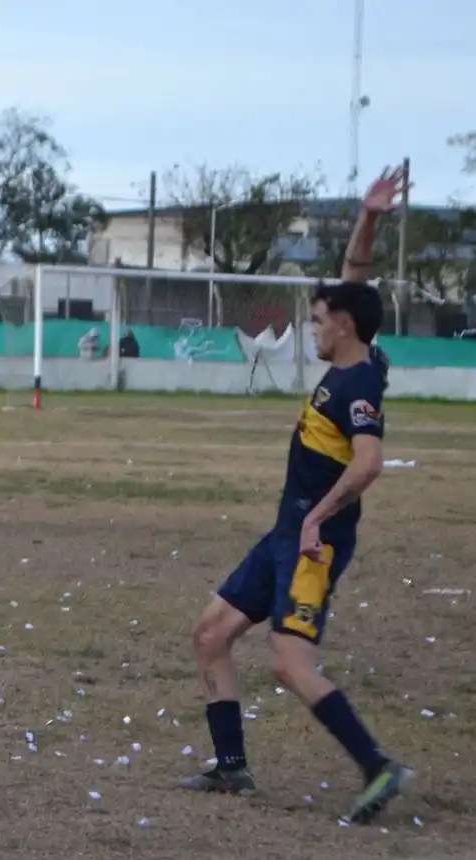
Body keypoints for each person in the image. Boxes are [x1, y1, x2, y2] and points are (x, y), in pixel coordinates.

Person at [178, 166, 412, 824]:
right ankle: (231, 770)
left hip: (313, 541)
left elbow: (368, 463)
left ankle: (378, 768)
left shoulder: (358, 385)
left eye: (316, 319)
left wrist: (316, 517)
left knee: (288, 661)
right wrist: (368, 217)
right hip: (287, 533)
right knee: (209, 633)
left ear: (340, 325)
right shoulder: (349, 351)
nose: (310, 326)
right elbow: (355, 274)